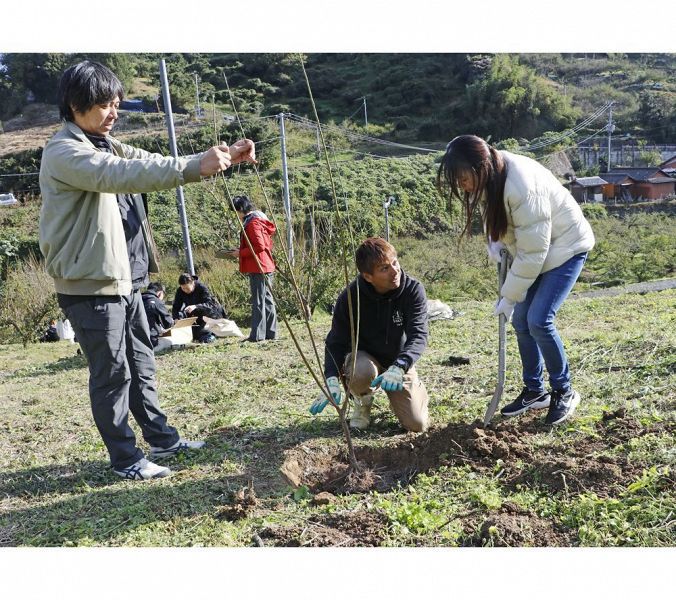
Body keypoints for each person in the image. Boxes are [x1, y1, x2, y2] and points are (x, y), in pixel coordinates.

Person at [39, 60, 256, 480]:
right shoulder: (65, 151)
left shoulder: (108, 143)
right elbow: (125, 174)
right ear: (74, 104)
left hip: (128, 280)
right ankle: (126, 459)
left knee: (141, 363)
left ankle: (161, 439)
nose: (114, 112)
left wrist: (221, 156)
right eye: (104, 104)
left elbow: (153, 159)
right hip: (91, 285)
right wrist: (195, 166)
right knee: (113, 374)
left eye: (116, 103)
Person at [437, 134, 595, 425]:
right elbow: (494, 212)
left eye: (462, 178)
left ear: (479, 167)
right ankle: (535, 391)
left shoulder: (522, 186)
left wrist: (509, 296)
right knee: (521, 321)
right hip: (536, 251)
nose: (462, 185)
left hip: (566, 247)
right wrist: (494, 240)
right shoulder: (491, 174)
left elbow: (535, 252)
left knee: (538, 320)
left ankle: (564, 391)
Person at [309, 237, 429, 432]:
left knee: (417, 424)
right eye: (384, 268)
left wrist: (400, 366)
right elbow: (336, 342)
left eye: (395, 263)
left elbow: (419, 335)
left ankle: (413, 391)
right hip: (364, 360)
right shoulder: (350, 297)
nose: (395, 271)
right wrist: (331, 379)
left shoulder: (412, 290)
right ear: (367, 276)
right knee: (360, 370)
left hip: (397, 362)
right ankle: (362, 401)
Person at [227, 195, 277, 342]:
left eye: (235, 211)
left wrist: (240, 253)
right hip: (265, 265)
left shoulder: (252, 223)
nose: (235, 214)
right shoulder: (258, 220)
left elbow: (260, 246)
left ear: (240, 210)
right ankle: (270, 332)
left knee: (259, 301)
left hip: (258, 266)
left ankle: (257, 336)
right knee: (267, 300)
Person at [171, 273, 226, 343]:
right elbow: (176, 307)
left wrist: (195, 306)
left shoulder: (201, 287)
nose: (185, 290)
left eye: (187, 288)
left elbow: (210, 304)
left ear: (192, 283)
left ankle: (209, 333)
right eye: (183, 288)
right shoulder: (180, 291)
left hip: (209, 314)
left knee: (201, 333)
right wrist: (176, 318)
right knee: (182, 317)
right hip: (194, 315)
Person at [142, 282, 174, 355]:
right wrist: (173, 322)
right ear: (160, 293)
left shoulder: (137, 300)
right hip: (151, 340)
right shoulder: (156, 301)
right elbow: (168, 323)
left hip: (136, 339)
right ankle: (151, 351)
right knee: (169, 342)